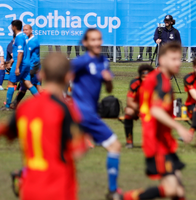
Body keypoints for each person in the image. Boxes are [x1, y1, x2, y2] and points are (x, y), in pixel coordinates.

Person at [0, 52, 87, 200]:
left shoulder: (24, 108)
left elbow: (8, 132)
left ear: (41, 75)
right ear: (68, 77)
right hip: (58, 189)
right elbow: (78, 150)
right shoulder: (66, 110)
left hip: (30, 189)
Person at [123, 42, 193, 200]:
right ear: (161, 60)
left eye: (179, 58)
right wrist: (179, 127)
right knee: (172, 190)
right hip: (157, 143)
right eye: (173, 59)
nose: (178, 63)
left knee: (179, 191)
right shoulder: (162, 83)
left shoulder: (154, 78)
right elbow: (155, 110)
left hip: (163, 141)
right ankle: (126, 197)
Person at [71, 28, 122, 199]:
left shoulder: (103, 61)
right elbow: (61, 75)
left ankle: (25, 174)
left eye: (99, 39)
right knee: (114, 146)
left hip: (89, 113)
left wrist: (108, 81)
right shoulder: (81, 61)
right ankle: (113, 191)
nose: (97, 42)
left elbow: (108, 89)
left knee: (74, 152)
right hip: (82, 113)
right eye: (92, 40)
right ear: (85, 43)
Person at [1, 20, 39, 111]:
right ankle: (42, 102)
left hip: (20, 63)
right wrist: (11, 61)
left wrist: (17, 67)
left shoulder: (19, 37)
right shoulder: (24, 36)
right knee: (28, 84)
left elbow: (20, 53)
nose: (11, 28)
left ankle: (7, 107)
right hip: (26, 64)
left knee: (11, 83)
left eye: (11, 26)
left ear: (14, 27)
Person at [124, 64, 154, 148]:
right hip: (137, 108)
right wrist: (140, 110)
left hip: (151, 108)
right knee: (128, 111)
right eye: (143, 77)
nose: (145, 79)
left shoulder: (157, 83)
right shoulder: (135, 83)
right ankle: (129, 141)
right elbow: (130, 102)